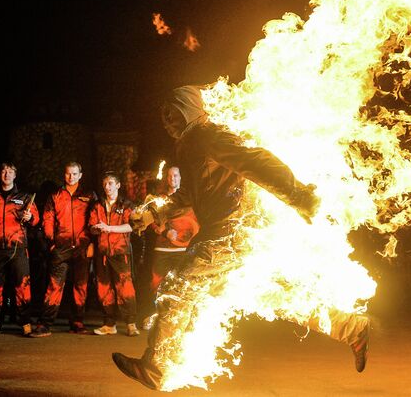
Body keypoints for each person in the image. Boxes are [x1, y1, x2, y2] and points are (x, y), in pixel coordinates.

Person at [112, 85, 369, 390]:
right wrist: (154, 213)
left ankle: (155, 367)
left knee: (178, 288)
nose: (168, 122)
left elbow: (256, 161)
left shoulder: (209, 135)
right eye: (165, 117)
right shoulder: (190, 144)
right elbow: (188, 195)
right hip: (235, 233)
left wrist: (298, 195)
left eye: (173, 114)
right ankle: (351, 327)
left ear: (189, 110)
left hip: (229, 232)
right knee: (273, 296)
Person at [0, 162, 40, 337]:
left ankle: (25, 323)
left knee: (22, 286)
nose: (7, 174)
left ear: (15, 175)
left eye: (10, 171)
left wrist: (30, 217)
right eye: (4, 171)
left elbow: (36, 219)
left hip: (18, 249)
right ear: (0, 174)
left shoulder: (25, 197)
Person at [33, 161, 96, 337]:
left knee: (81, 286)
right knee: (54, 286)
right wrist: (51, 243)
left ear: (80, 175)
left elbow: (95, 219)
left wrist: (92, 243)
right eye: (68, 174)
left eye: (75, 174)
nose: (71, 177)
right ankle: (45, 323)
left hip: (82, 248)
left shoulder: (89, 195)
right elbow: (48, 219)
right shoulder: (55, 195)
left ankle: (77, 322)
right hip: (60, 248)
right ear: (64, 174)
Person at [141, 166, 200, 331]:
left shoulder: (190, 198)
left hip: (185, 250)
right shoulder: (159, 199)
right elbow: (151, 221)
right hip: (164, 249)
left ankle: (182, 319)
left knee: (183, 284)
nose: (172, 178)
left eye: (176, 175)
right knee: (156, 283)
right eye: (169, 176)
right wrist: (166, 232)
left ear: (181, 177)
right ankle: (155, 315)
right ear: (166, 179)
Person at [89, 172, 139, 337]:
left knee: (125, 288)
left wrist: (109, 228)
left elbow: (132, 226)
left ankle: (131, 323)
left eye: (110, 183)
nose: (107, 187)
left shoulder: (126, 205)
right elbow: (91, 227)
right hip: (103, 253)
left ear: (118, 185)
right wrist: (96, 229)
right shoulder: (97, 205)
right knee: (104, 289)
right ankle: (109, 324)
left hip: (120, 253)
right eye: (105, 184)